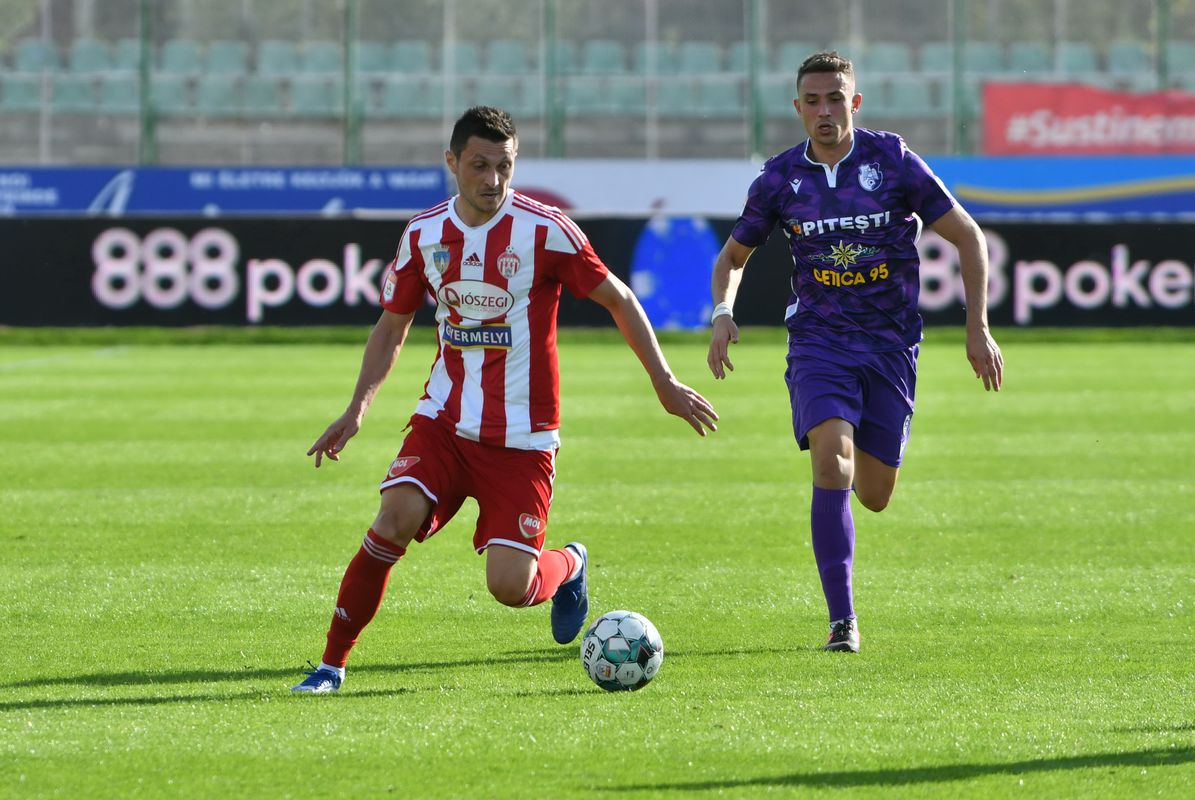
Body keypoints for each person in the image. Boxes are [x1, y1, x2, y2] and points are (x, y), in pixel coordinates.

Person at [293, 106, 718, 693]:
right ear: (452, 162)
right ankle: (330, 666)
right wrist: (356, 408)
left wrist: (664, 382)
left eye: (504, 166)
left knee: (510, 586)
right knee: (393, 520)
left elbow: (619, 298)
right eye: (479, 165)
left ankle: (570, 564)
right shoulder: (423, 234)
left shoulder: (545, 230)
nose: (492, 180)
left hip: (523, 438)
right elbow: (392, 326)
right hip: (444, 421)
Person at [706, 52, 1003, 654]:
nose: (825, 111)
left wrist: (978, 327)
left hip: (891, 345)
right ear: (797, 108)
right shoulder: (779, 179)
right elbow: (733, 257)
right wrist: (722, 312)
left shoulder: (892, 161)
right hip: (818, 342)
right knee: (831, 462)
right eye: (813, 101)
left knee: (874, 494)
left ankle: (863, 486)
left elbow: (968, 236)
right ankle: (842, 620)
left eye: (835, 98)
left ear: (855, 103)